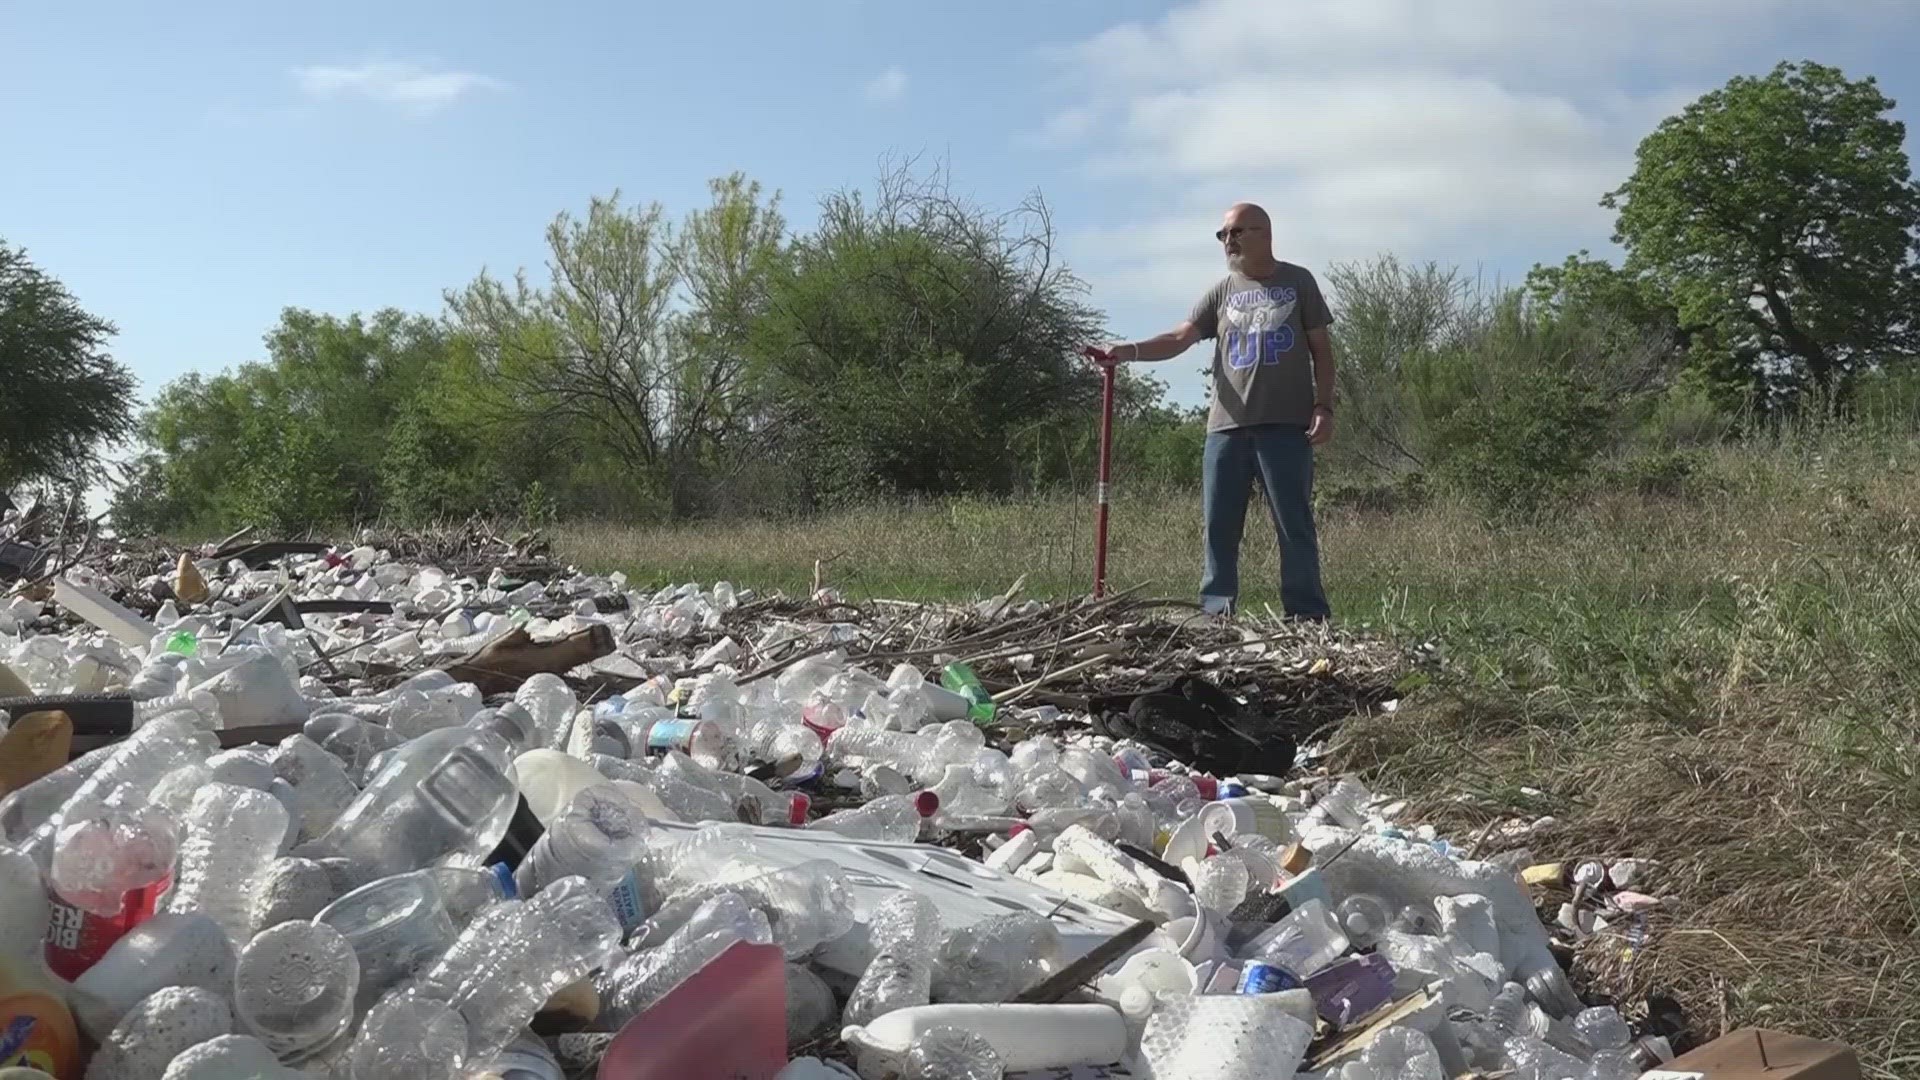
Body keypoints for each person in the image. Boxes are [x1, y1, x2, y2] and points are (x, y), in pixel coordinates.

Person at [1090, 202, 1336, 621]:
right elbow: (1180, 336)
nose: (1228, 241)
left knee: (1294, 526)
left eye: (1237, 232)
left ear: (1264, 233)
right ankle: (1216, 615)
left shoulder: (1298, 282)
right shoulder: (1221, 292)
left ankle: (1307, 617)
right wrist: (1127, 351)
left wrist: (1324, 407)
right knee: (1219, 529)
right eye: (1223, 235)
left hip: (1285, 428)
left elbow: (1323, 353)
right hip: (1225, 430)